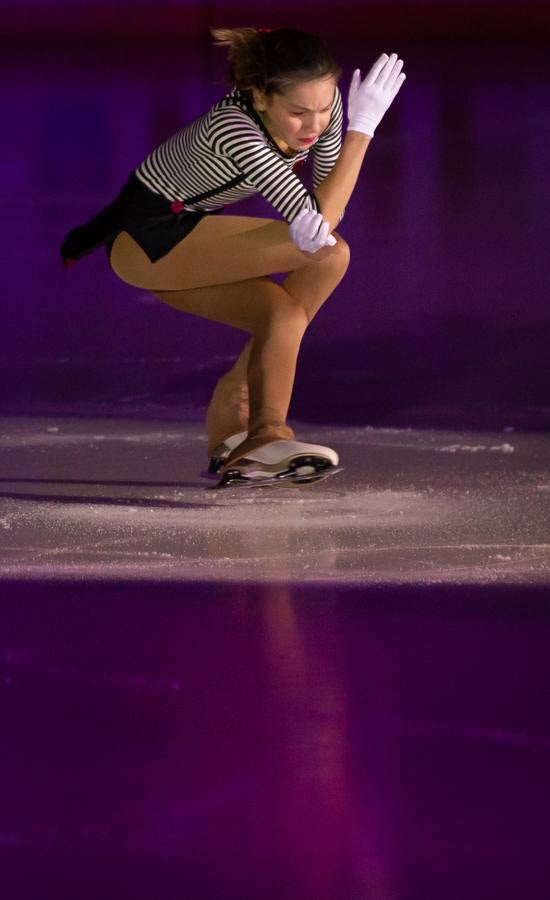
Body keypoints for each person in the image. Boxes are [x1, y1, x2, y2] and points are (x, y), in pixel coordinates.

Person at [61, 27, 406, 487]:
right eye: (299, 113)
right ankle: (261, 431)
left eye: (326, 109)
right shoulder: (234, 127)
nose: (315, 125)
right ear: (260, 97)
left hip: (188, 237)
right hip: (145, 241)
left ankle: (235, 427)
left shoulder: (322, 111)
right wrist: (361, 133)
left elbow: (326, 201)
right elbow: (315, 220)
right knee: (327, 254)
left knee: (290, 300)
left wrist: (347, 124)